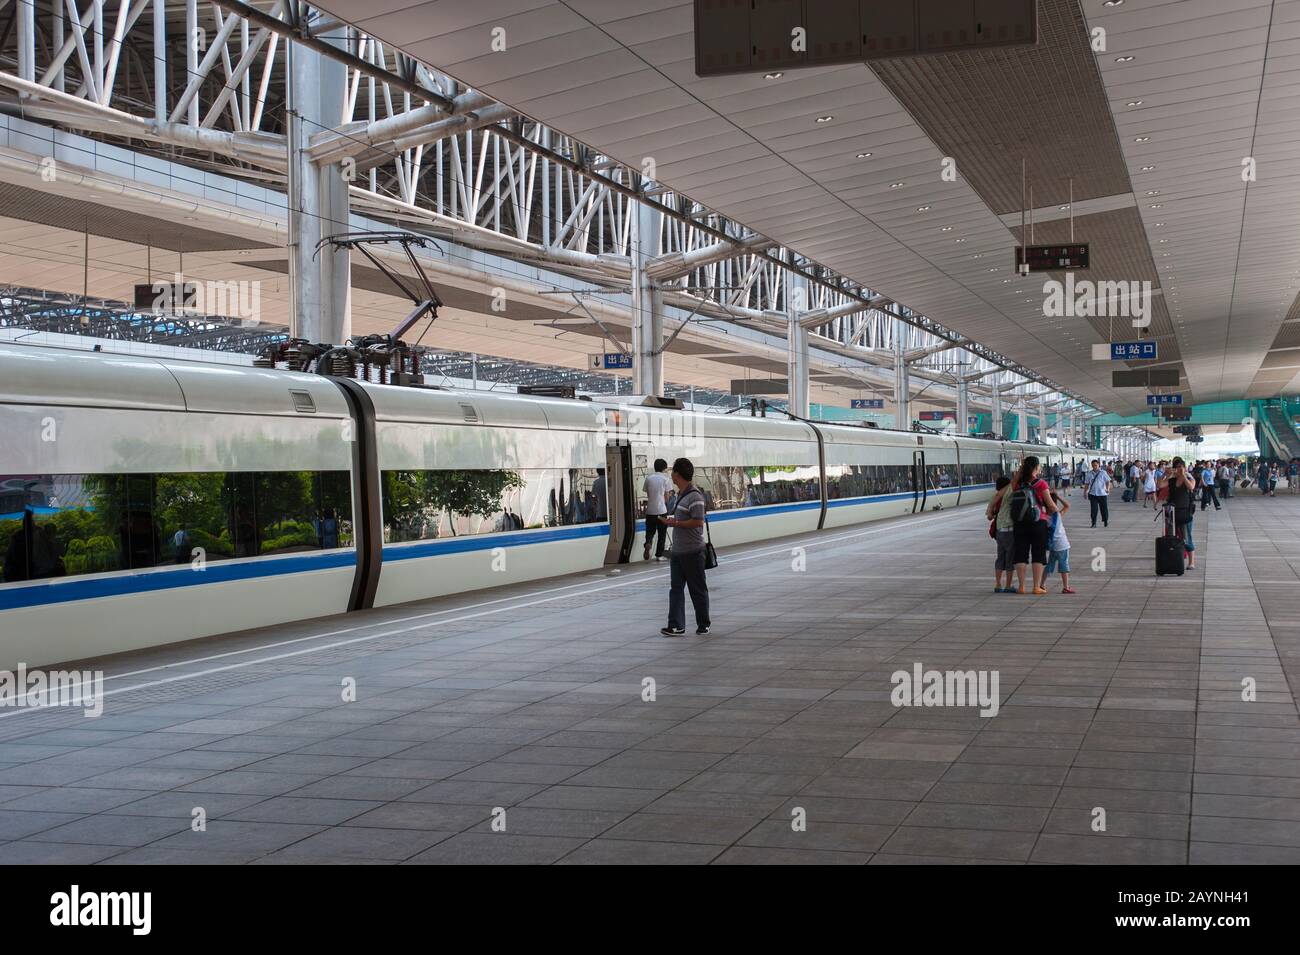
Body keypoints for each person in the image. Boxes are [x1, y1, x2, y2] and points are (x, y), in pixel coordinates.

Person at [661, 457, 711, 637]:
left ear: (678, 474)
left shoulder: (695, 496)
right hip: (678, 552)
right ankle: (676, 625)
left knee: (697, 590)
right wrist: (673, 521)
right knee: (675, 590)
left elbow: (698, 522)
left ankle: (704, 623)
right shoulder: (680, 496)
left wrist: (676, 524)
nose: (671, 476)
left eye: (673, 472)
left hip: (693, 551)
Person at [1009, 455, 1059, 596]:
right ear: (1037, 467)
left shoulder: (1017, 483)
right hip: (1038, 522)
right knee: (1038, 554)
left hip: (1019, 523)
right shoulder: (1041, 483)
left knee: (1021, 554)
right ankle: (1036, 587)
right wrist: (1058, 512)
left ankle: (1021, 586)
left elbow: (1012, 487)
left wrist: (1021, 467)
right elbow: (1050, 504)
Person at [1159, 457, 1198, 571]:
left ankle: (1191, 562)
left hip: (1185, 513)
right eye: (1177, 467)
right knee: (1172, 537)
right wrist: (1165, 474)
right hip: (1172, 513)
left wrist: (1183, 476)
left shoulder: (1190, 478)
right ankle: (1175, 558)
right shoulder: (1171, 480)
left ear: (1185, 468)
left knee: (1187, 537)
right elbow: (1160, 485)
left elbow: (1191, 487)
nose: (1179, 469)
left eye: (1182, 467)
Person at [987, 476, 1017, 594]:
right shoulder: (1008, 494)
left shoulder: (994, 497)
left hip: (999, 531)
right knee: (1010, 559)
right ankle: (1008, 585)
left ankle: (998, 584)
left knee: (1000, 557)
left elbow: (989, 516)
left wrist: (995, 514)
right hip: (1009, 530)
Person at [1044, 492, 1075, 594]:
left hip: (1052, 545)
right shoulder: (1057, 514)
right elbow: (1067, 505)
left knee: (1049, 566)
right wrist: (1057, 496)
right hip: (1062, 544)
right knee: (1064, 565)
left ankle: (1041, 584)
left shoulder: (1044, 517)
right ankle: (1066, 587)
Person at [642, 458, 671, 561]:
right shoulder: (666, 479)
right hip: (661, 510)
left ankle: (648, 543)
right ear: (664, 468)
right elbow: (667, 497)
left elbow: (648, 493)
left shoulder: (649, 478)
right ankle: (659, 555)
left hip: (650, 510)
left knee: (650, 531)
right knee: (662, 534)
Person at [1085, 458, 1110, 528]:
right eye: (1093, 466)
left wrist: (1107, 489)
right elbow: (1087, 484)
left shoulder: (1103, 473)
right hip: (1093, 494)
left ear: (1099, 465)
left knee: (1104, 509)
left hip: (1102, 494)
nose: (1094, 467)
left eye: (1096, 465)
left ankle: (1105, 520)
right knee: (1093, 509)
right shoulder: (1089, 474)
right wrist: (1085, 492)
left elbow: (1108, 481)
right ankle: (1093, 523)